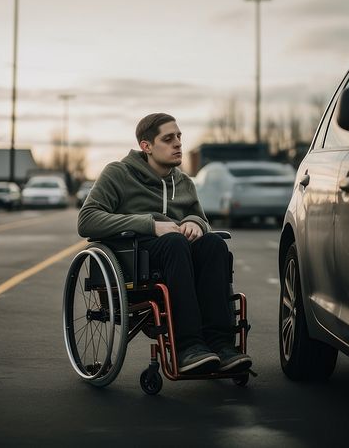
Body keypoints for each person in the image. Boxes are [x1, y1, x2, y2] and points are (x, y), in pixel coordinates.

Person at [78, 112, 252, 375]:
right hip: (136, 255)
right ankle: (188, 347)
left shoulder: (183, 182)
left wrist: (195, 222)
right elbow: (87, 219)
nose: (178, 143)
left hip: (178, 252)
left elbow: (202, 220)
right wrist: (150, 225)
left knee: (214, 245)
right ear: (146, 146)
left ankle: (221, 345)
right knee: (174, 243)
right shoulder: (118, 173)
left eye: (179, 137)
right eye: (168, 138)